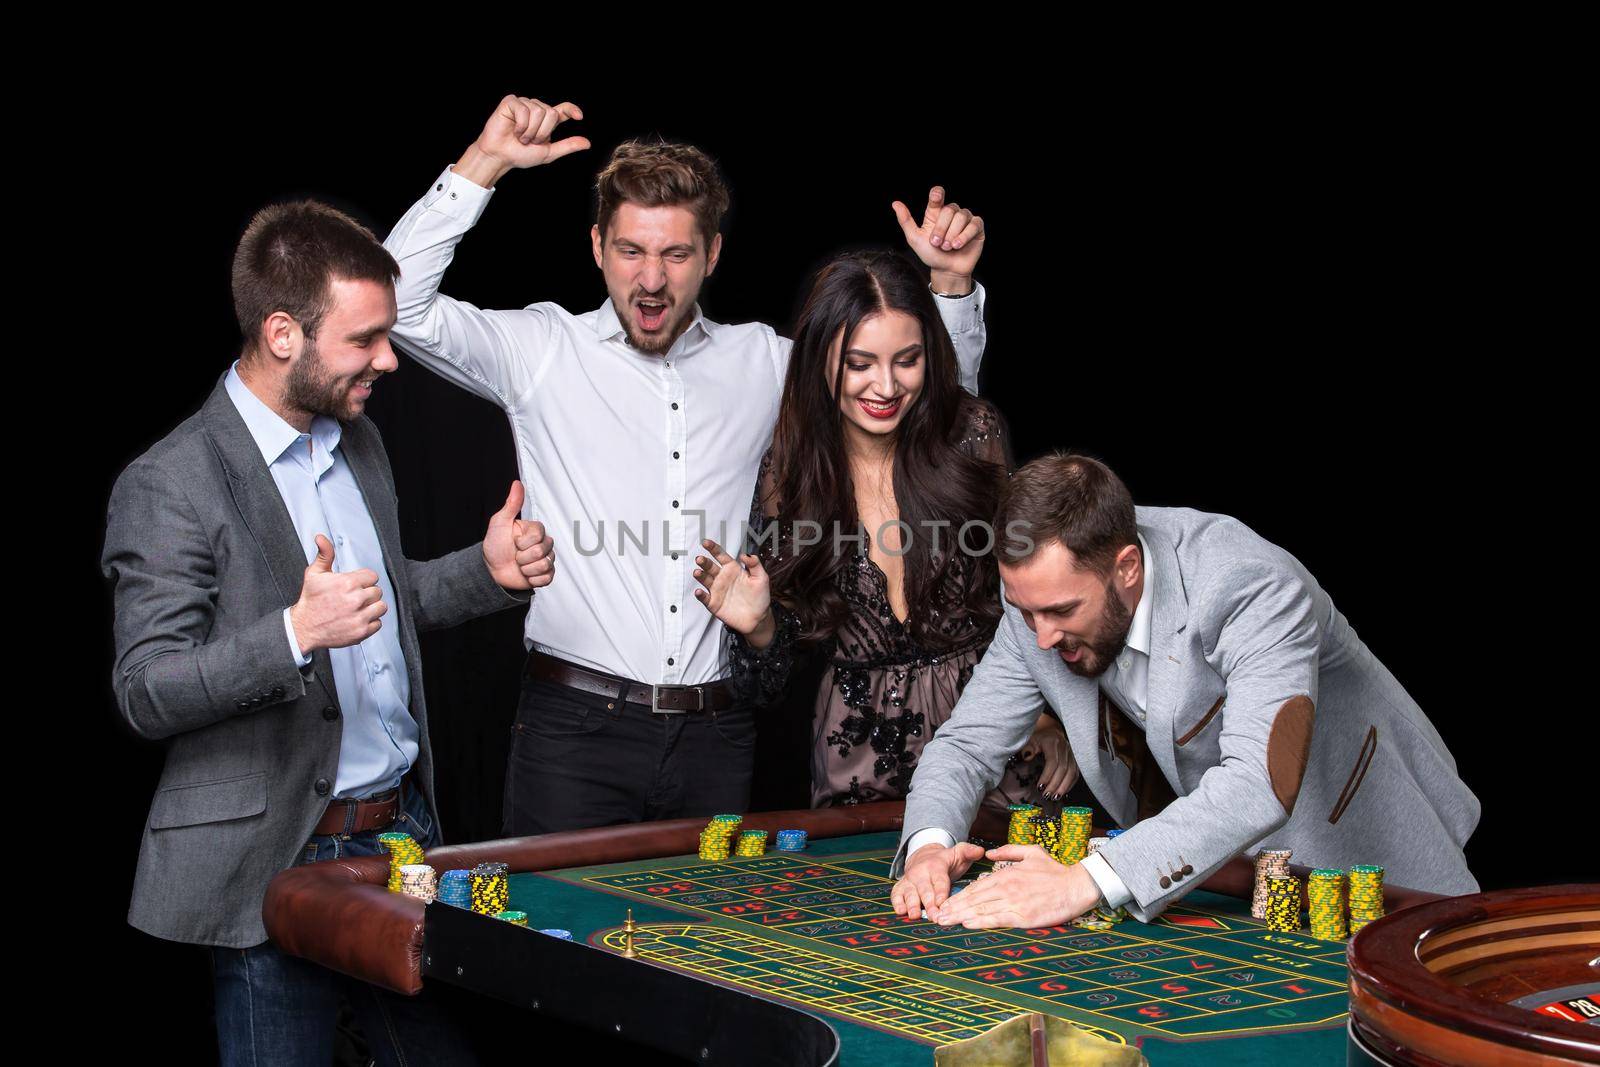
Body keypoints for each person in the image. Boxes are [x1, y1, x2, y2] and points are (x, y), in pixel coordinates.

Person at [383, 94, 993, 835]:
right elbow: (398, 306)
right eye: (631, 251)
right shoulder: (543, 350)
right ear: (597, 246)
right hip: (575, 731)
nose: (651, 279)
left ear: (712, 256)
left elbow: (916, 403)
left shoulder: (765, 363)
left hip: (717, 732)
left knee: (694, 948)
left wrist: (952, 291)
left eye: (675, 254)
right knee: (556, 943)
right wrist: (484, 163)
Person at [102, 200, 554, 1065]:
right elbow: (145, 689)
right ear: (282, 334)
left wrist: (483, 570)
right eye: (365, 340)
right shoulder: (171, 481)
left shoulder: (361, 442)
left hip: (400, 834)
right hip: (274, 855)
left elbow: (384, 604)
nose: (389, 359)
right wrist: (292, 631)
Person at [890, 454, 1480, 929]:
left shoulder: (1247, 583)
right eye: (1024, 611)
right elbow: (967, 746)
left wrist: (1083, 881)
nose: (1039, 637)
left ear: (1125, 568)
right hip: (1238, 880)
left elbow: (1258, 779)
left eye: (1061, 610)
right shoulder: (1037, 610)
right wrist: (928, 848)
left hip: (1372, 850)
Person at [690, 249, 1076, 813]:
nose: (886, 385)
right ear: (823, 359)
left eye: (907, 360)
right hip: (859, 762)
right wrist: (762, 629)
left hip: (991, 738)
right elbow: (765, 689)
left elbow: (1022, 598)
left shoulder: (972, 433)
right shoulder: (789, 472)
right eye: (860, 362)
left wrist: (1040, 710)